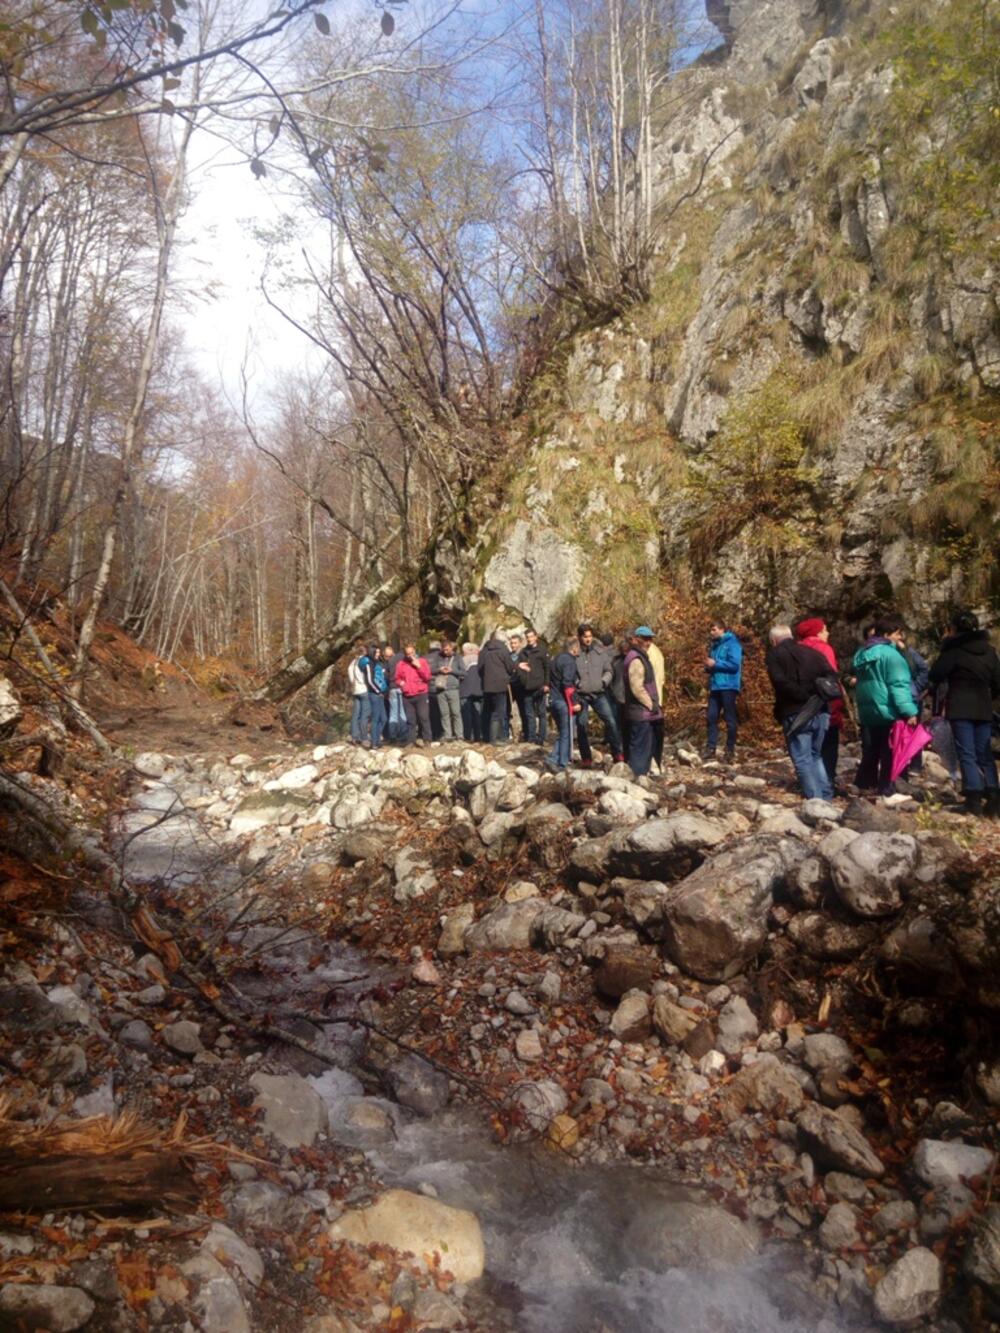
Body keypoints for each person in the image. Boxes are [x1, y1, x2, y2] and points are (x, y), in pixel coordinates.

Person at [929, 610, 1000, 816]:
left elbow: (936, 674)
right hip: (984, 707)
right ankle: (994, 797)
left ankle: (973, 799)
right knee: (984, 754)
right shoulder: (989, 651)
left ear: (955, 629)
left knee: (966, 753)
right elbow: (998, 682)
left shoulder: (954, 651)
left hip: (960, 706)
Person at [851, 615, 918, 796]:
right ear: (888, 634)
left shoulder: (862, 654)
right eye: (897, 634)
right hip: (888, 711)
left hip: (869, 711)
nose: (900, 638)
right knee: (891, 753)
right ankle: (888, 790)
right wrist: (909, 711)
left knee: (871, 752)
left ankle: (864, 786)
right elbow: (898, 686)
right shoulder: (892, 655)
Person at [766, 623, 834, 800]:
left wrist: (801, 695)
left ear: (773, 641)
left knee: (802, 759)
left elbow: (779, 682)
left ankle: (815, 800)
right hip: (821, 709)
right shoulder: (814, 653)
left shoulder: (775, 654)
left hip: (796, 712)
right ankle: (826, 796)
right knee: (816, 755)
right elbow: (832, 676)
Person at [795, 617, 844, 789]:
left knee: (807, 747)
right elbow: (831, 679)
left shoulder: (797, 649)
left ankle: (808, 783)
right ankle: (826, 784)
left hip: (803, 705)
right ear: (816, 632)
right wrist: (837, 708)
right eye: (824, 629)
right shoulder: (824, 649)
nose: (828, 633)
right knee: (827, 746)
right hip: (824, 703)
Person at [575, 623, 624, 768]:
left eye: (590, 636)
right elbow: (569, 671)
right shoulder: (574, 653)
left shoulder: (600, 652)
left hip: (599, 693)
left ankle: (618, 754)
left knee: (611, 721)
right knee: (581, 725)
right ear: (579, 637)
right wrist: (577, 683)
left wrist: (604, 682)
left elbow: (609, 670)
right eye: (585, 637)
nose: (588, 639)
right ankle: (586, 758)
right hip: (581, 695)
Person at [623, 627, 663, 777]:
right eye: (645, 639)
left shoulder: (640, 656)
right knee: (640, 748)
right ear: (636, 639)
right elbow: (637, 688)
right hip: (640, 712)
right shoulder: (636, 659)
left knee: (645, 747)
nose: (648, 642)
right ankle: (637, 777)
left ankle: (641, 775)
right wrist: (651, 705)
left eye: (650, 639)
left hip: (644, 712)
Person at [703, 620, 743, 763]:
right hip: (715, 686)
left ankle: (730, 750)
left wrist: (716, 664)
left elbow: (734, 665)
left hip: (729, 686)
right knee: (711, 717)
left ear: (722, 629)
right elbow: (713, 665)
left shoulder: (733, 644)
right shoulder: (714, 646)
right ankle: (711, 748)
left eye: (714, 629)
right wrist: (708, 667)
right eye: (711, 630)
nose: (711, 632)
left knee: (730, 719)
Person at [546, 637, 580, 772]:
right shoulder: (570, 662)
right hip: (563, 701)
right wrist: (574, 702)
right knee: (566, 733)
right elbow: (567, 684)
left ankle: (556, 758)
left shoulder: (556, 659)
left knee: (562, 733)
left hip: (553, 700)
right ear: (574, 648)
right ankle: (560, 762)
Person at [395, 643, 433, 746]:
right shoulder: (401, 664)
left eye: (412, 653)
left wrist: (419, 667)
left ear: (415, 652)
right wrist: (402, 684)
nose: (410, 656)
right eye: (408, 654)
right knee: (410, 720)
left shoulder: (422, 661)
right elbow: (397, 678)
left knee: (423, 717)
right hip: (407, 695)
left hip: (421, 694)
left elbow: (428, 677)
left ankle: (427, 739)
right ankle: (411, 740)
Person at [516, 628, 550, 744]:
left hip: (539, 686)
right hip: (526, 687)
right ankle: (531, 738)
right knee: (529, 714)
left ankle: (542, 737)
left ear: (536, 637)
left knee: (541, 713)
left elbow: (547, 668)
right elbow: (518, 668)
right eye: (527, 637)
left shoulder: (542, 651)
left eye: (531, 637)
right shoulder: (523, 652)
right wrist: (522, 680)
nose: (529, 639)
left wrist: (546, 684)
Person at [480, 633, 515, 742]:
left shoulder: (484, 651)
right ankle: (497, 738)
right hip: (500, 684)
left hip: (487, 685)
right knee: (499, 711)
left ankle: (487, 736)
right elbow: (510, 667)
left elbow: (479, 668)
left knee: (487, 711)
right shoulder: (503, 650)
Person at [429, 639, 465, 742]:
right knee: (444, 713)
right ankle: (447, 734)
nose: (445, 652)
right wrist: (439, 670)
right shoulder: (438, 658)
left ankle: (459, 735)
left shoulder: (458, 658)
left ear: (451, 648)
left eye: (447, 650)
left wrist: (452, 671)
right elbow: (431, 670)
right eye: (444, 650)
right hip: (440, 688)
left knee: (456, 712)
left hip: (453, 688)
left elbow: (464, 672)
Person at [360, 643, 389, 749]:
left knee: (384, 718)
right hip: (374, 694)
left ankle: (376, 738)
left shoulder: (376, 663)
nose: (378, 654)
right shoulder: (368, 664)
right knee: (376, 719)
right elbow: (369, 680)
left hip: (380, 694)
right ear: (372, 652)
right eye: (377, 652)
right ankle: (374, 742)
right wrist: (377, 691)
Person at [347, 639, 370, 746]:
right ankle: (364, 736)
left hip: (355, 690)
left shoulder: (352, 663)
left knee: (356, 714)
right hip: (363, 689)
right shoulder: (364, 661)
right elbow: (367, 676)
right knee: (365, 714)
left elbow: (351, 677)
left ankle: (354, 736)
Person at [459, 642, 483, 740]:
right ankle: (478, 735)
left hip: (465, 691)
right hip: (479, 690)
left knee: (466, 715)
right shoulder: (481, 659)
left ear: (466, 650)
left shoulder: (463, 660)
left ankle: (468, 736)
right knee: (478, 713)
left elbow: (460, 675)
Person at [509, 633, 528, 740]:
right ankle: (512, 733)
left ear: (520, 643)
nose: (513, 645)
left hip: (521, 685)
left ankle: (525, 733)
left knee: (523, 710)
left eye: (515, 643)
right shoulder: (508, 655)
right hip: (510, 685)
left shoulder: (524, 655)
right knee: (509, 711)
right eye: (511, 643)